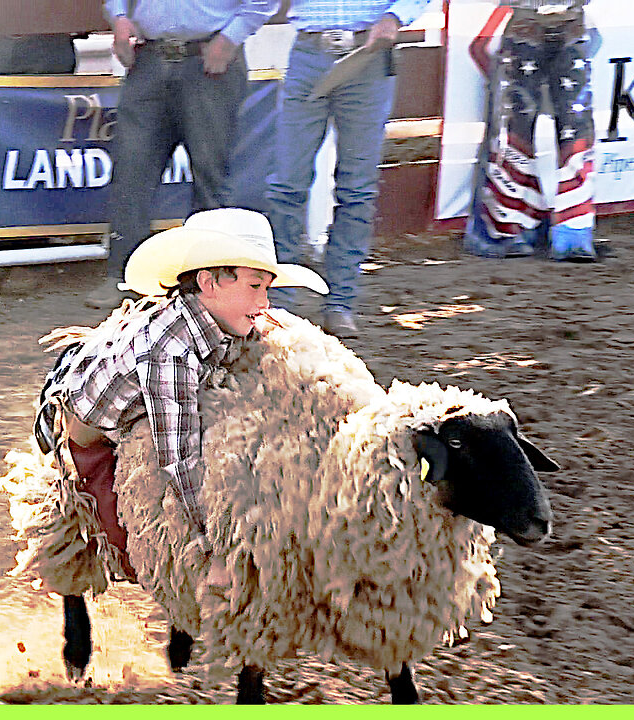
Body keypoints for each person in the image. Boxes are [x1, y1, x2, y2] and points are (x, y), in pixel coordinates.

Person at [39, 208, 326, 571]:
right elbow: (179, 461)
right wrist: (216, 539)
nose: (264, 302)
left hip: (142, 397)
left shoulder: (222, 316)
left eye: (266, 288)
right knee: (136, 552)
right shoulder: (170, 352)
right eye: (255, 286)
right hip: (92, 436)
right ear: (209, 283)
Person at [86, 0, 281, 309]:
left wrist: (231, 36)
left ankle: (207, 284)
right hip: (148, 58)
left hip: (209, 56)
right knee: (130, 171)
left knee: (210, 178)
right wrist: (119, 16)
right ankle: (124, 277)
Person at [264, 0, 431, 339]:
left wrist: (394, 16)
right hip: (312, 49)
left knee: (356, 188)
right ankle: (279, 303)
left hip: (366, 52)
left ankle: (340, 303)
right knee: (287, 184)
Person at [463, 0, 597, 262]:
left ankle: (568, 229)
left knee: (573, 128)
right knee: (517, 127)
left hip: (561, 23)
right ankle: (514, 226)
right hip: (538, 21)